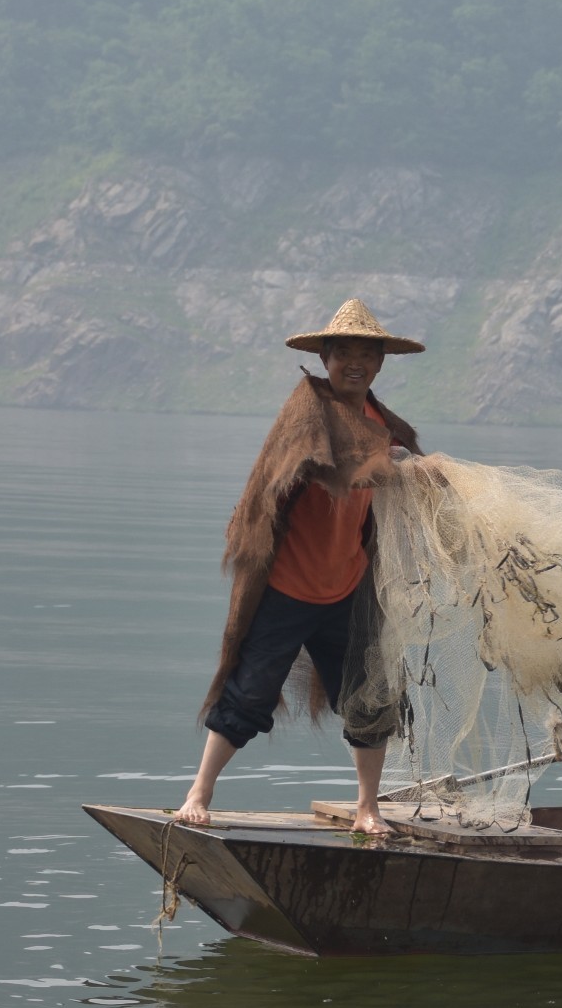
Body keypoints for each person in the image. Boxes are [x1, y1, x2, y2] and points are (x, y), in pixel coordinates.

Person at [176, 298, 424, 839]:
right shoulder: (307, 410)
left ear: (380, 364)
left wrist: (424, 476)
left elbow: (399, 483)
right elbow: (310, 465)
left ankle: (367, 807)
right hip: (288, 587)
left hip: (347, 589)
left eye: (367, 354)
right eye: (344, 354)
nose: (354, 363)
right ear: (325, 359)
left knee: (367, 699)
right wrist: (387, 470)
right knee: (250, 692)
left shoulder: (386, 427)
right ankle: (199, 792)